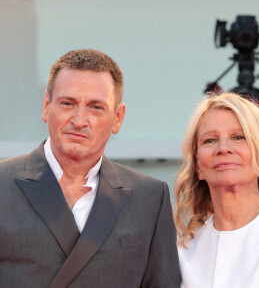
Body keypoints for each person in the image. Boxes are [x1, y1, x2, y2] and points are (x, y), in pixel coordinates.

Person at [0, 49, 180, 287]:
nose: (79, 120)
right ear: (46, 106)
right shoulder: (3, 184)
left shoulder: (149, 198)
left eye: (96, 107)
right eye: (67, 103)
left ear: (118, 117)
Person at [174, 92, 259, 288]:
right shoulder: (184, 246)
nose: (223, 148)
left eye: (238, 137)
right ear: (198, 166)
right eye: (209, 140)